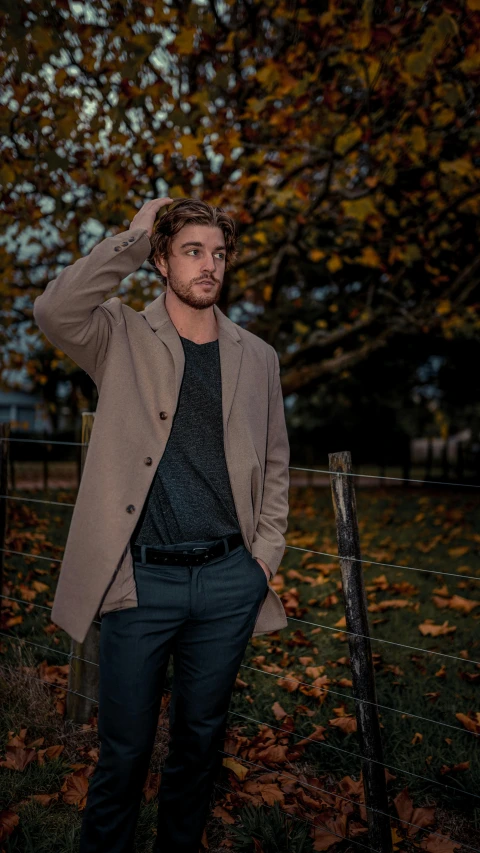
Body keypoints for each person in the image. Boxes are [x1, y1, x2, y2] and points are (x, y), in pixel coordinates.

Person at [33, 197, 290, 853]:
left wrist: (264, 554)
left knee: (201, 745)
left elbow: (278, 458)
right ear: (161, 260)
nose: (210, 266)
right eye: (192, 251)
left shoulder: (258, 356)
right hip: (140, 582)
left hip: (230, 581)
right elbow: (52, 312)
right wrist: (132, 234)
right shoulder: (116, 334)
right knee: (124, 753)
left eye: (219, 253)